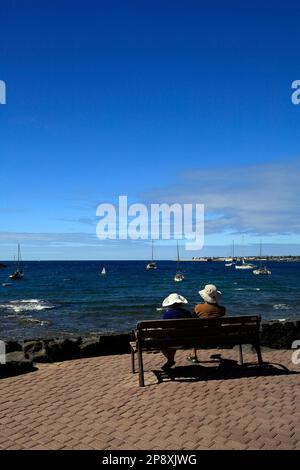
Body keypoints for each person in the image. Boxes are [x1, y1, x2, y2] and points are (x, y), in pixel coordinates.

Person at [187, 284, 226, 363]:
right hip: (217, 336)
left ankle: (194, 355)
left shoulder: (198, 307)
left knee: (194, 330)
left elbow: (193, 319)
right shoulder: (222, 309)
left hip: (200, 336)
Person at [161, 293, 191, 370]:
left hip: (173, 340)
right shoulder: (187, 313)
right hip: (188, 340)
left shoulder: (167, 315)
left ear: (170, 304)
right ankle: (170, 360)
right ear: (181, 303)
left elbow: (164, 329)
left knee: (163, 340)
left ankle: (170, 359)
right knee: (174, 336)